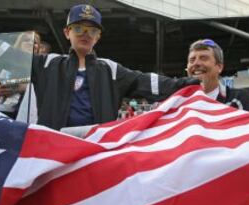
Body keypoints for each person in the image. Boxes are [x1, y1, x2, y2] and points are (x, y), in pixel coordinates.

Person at [28, 4, 198, 130]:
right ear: (67, 32)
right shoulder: (47, 63)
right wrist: (21, 44)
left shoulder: (111, 69)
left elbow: (148, 82)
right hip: (52, 153)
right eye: (79, 28)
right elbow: (5, 66)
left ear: (98, 37)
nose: (85, 34)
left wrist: (187, 83)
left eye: (92, 31)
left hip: (95, 151)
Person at [186, 39, 249, 112]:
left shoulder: (238, 99)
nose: (196, 63)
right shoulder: (177, 101)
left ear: (219, 67)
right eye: (192, 60)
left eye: (203, 58)